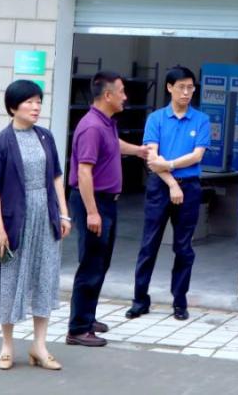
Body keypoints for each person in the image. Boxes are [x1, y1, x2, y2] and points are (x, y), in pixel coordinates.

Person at [0, 79, 71, 371]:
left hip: (45, 215)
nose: (36, 107)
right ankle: (7, 346)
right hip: (15, 220)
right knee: (10, 279)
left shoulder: (45, 136)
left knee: (44, 277)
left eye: (38, 102)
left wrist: (64, 213)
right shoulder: (0, 143)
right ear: (13, 107)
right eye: (29, 102)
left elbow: (56, 177)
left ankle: (39, 346)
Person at [67, 70, 149, 347]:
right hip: (94, 202)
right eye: (122, 92)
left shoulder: (105, 123)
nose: (125, 97)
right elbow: (84, 172)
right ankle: (78, 329)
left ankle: (87, 318)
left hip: (105, 202)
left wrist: (138, 151)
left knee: (100, 262)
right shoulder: (92, 127)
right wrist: (92, 212)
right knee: (91, 265)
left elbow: (114, 145)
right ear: (108, 95)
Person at [124, 66, 211, 321]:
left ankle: (179, 301)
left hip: (190, 187)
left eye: (190, 87)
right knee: (149, 244)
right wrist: (172, 183)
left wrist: (170, 165)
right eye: (181, 87)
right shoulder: (156, 119)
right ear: (169, 87)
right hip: (160, 187)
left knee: (184, 247)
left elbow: (197, 155)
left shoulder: (201, 120)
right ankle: (140, 300)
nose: (186, 92)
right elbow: (152, 158)